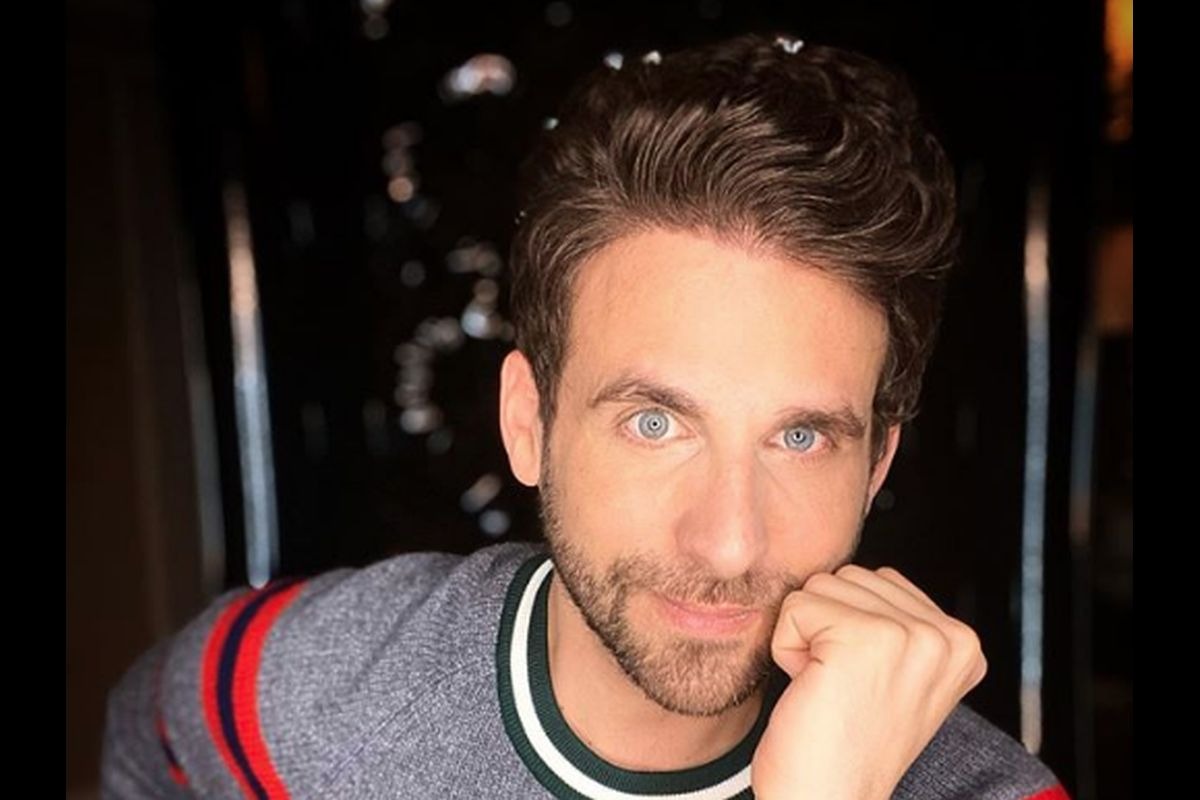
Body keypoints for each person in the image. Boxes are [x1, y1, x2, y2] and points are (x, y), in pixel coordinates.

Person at [101, 32, 1071, 799]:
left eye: (800, 436)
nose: (729, 542)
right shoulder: (321, 682)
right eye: (655, 422)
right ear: (528, 420)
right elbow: (150, 742)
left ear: (877, 464)